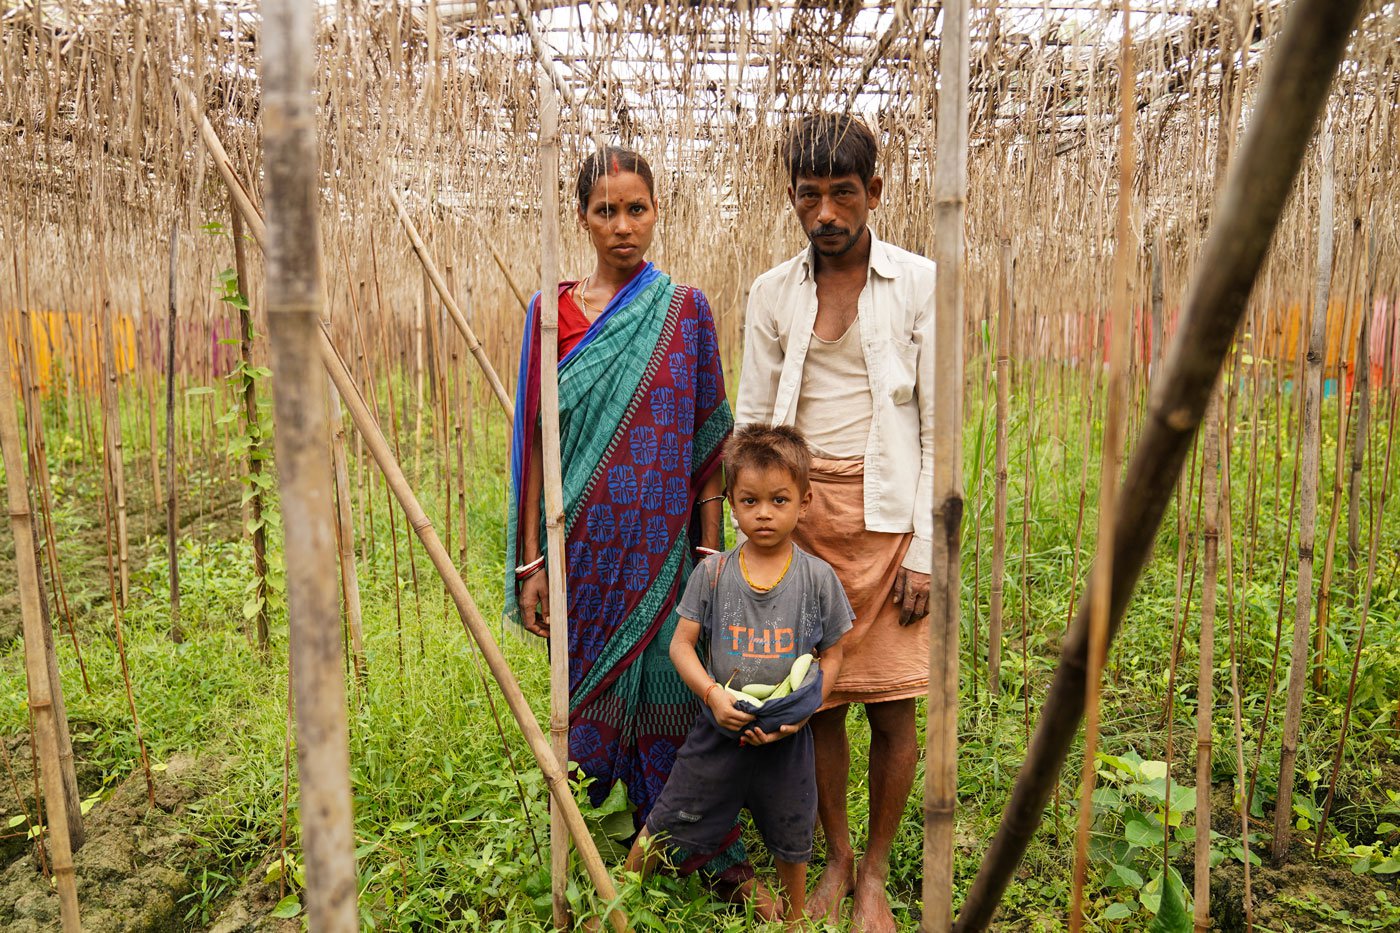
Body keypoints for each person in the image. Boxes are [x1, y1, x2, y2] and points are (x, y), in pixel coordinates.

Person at [504, 147, 765, 906]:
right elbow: (532, 444)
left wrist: (712, 558)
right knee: (585, 690)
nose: (622, 226)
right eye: (605, 211)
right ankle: (598, 835)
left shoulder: (685, 310)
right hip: (579, 548)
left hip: (666, 553)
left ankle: (697, 848)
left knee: (678, 691)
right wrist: (530, 564)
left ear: (657, 211)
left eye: (636, 209)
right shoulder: (547, 314)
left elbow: (705, 447)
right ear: (581, 217)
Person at [734, 114, 935, 932]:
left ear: (874, 193)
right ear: (792, 200)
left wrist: (924, 549)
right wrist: (752, 535)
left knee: (892, 705)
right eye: (809, 195)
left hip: (890, 520)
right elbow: (753, 418)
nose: (826, 211)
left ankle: (876, 874)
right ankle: (838, 856)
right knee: (820, 701)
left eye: (842, 193)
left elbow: (939, 424)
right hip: (801, 520)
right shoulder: (772, 292)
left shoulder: (919, 281)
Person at [624, 424, 851, 928]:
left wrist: (809, 706)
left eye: (779, 499)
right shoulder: (714, 574)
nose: (764, 513)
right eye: (749, 500)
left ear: (805, 500)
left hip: (787, 735)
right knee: (668, 818)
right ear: (730, 501)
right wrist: (710, 693)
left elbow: (833, 654)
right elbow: (682, 644)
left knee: (793, 832)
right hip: (719, 727)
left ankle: (792, 920)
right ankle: (622, 897)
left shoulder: (817, 579)